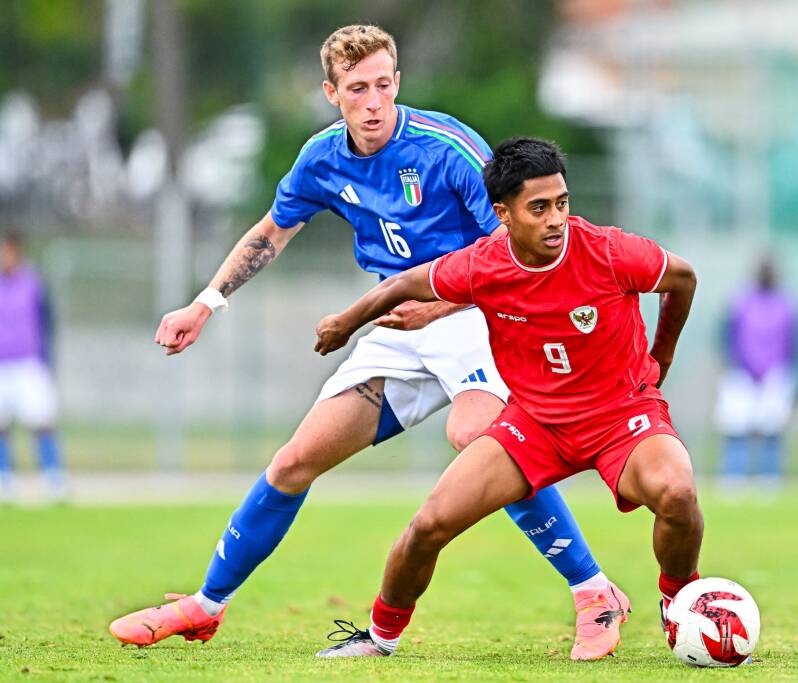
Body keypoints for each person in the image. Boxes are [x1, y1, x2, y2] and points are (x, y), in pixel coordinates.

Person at [110, 26, 621, 660]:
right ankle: (204, 607)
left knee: (481, 441)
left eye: (384, 85)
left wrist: (442, 304)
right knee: (297, 459)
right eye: (358, 89)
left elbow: (515, 248)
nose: (374, 101)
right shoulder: (322, 157)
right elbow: (273, 230)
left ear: (398, 82)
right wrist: (206, 301)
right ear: (332, 93)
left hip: (477, 315)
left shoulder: (447, 148)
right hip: (398, 324)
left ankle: (594, 591)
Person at [310, 137, 704, 658]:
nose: (556, 219)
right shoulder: (482, 264)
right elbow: (404, 283)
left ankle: (678, 606)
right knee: (428, 526)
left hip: (621, 416)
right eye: (538, 208)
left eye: (561, 203)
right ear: (503, 213)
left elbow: (683, 278)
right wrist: (346, 323)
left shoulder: (609, 251)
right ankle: (380, 639)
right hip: (536, 426)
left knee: (676, 493)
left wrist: (664, 356)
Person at [713, 257, 798, 495]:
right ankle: (733, 482)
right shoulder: (739, 301)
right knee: (736, 430)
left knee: (772, 430)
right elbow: (726, 338)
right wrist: (734, 366)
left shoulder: (789, 304)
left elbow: (795, 345)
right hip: (740, 375)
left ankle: (769, 483)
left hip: (775, 377)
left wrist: (794, 382)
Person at [0, 231, 68, 503]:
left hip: (29, 363)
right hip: (2, 364)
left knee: (42, 422)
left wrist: (46, 360)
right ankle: (5, 480)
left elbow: (47, 322)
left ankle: (53, 479)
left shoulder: (33, 283)